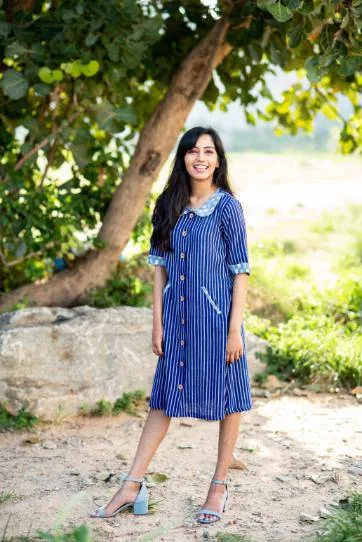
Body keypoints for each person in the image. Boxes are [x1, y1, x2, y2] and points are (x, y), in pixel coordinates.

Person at [90, 126, 253, 524]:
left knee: (229, 397)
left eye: (209, 151)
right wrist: (157, 323)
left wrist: (235, 329)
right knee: (163, 398)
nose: (201, 158)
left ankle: (218, 486)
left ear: (218, 160)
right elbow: (159, 270)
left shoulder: (228, 207)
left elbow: (241, 272)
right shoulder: (168, 204)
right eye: (193, 151)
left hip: (217, 321)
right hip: (177, 321)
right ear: (182, 158)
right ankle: (133, 484)